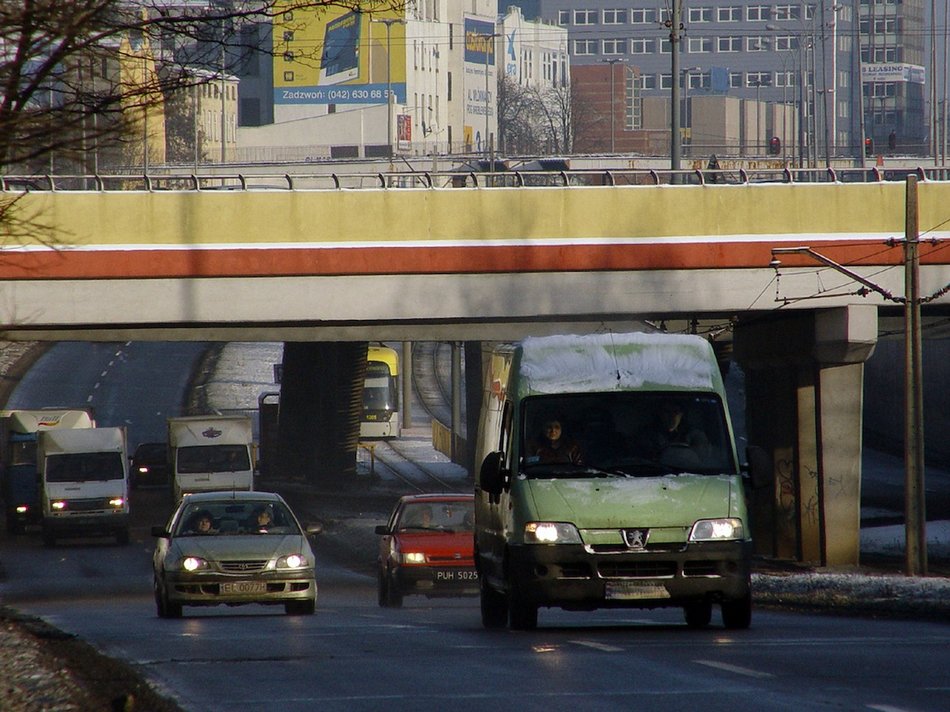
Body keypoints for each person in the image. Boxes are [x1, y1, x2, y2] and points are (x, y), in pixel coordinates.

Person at [636, 400, 710, 463]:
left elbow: (704, 461)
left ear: (682, 414)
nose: (671, 416)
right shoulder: (648, 434)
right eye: (667, 412)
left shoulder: (695, 435)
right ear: (660, 413)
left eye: (675, 412)